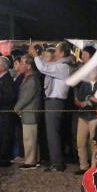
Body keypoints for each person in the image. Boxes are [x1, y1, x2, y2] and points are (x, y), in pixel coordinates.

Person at [29, 41, 72, 172]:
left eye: (57, 51)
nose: (54, 53)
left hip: (55, 101)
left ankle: (57, 163)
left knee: (53, 133)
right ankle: (55, 161)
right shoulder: (59, 65)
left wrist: (35, 55)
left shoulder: (63, 67)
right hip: (53, 101)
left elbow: (44, 68)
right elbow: (46, 65)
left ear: (63, 53)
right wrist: (39, 56)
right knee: (52, 133)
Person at [74, 63, 97, 175]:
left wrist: (88, 99)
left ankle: (94, 167)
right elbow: (78, 99)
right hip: (83, 115)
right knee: (80, 141)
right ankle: (83, 166)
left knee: (94, 142)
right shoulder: (85, 83)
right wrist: (83, 102)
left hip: (95, 115)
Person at [14, 55, 42, 170]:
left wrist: (17, 108)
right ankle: (35, 158)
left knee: (29, 137)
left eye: (22, 63)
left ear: (29, 66)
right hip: (27, 112)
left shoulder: (32, 80)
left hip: (30, 111)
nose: (19, 65)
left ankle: (30, 161)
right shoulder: (27, 77)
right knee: (31, 136)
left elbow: (26, 97)